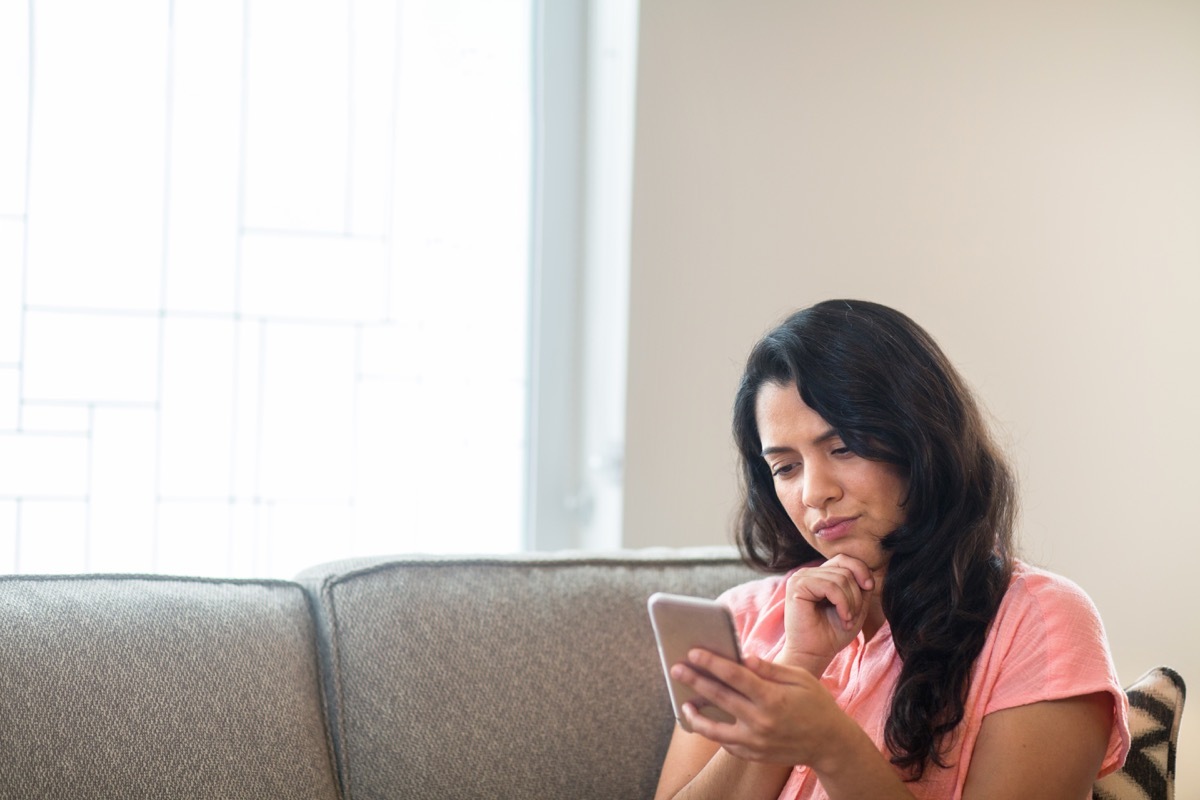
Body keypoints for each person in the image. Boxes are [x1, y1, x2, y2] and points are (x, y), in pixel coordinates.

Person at [654, 299, 1130, 800]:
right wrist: (799, 663)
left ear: (921, 440)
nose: (815, 493)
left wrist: (832, 745)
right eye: (786, 467)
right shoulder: (744, 618)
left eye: (842, 448)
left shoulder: (1040, 622)